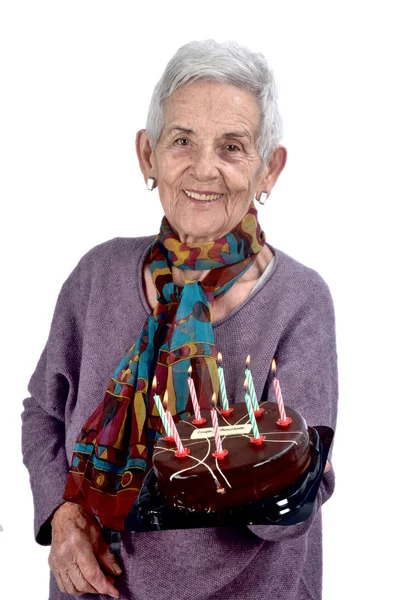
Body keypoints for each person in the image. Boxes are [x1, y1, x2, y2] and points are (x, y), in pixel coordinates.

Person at [21, 39, 337, 600]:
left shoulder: (298, 300)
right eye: (182, 140)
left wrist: (286, 482)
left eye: (233, 146)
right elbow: (43, 412)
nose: (204, 167)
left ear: (270, 169)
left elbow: (282, 516)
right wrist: (63, 515)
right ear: (149, 154)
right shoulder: (98, 275)